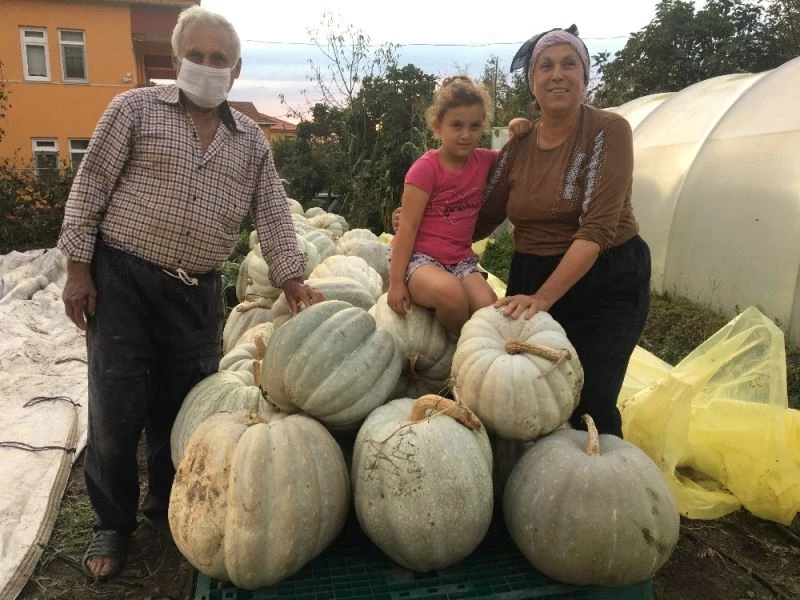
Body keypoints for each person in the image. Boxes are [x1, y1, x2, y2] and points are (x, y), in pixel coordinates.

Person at [57, 6, 322, 580]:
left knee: (182, 409)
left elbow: (272, 212)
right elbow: (91, 184)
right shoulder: (132, 109)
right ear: (177, 60)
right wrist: (79, 269)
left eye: (218, 59)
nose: (206, 66)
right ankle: (113, 522)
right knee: (117, 406)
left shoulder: (250, 140)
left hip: (196, 292)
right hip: (123, 278)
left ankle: (164, 508)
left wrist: (293, 276)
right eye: (195, 56)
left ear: (236, 68)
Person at [474, 25, 651, 438]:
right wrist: (419, 224)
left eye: (569, 64)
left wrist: (543, 299)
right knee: (525, 400)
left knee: (588, 402)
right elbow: (482, 217)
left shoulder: (609, 131)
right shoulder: (517, 145)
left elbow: (597, 229)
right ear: (533, 83)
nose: (557, 74)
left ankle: (602, 488)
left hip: (606, 278)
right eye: (546, 66)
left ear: (585, 77)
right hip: (531, 273)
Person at [388, 76, 530, 335]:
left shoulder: (484, 161)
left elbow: (514, 155)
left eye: (474, 127)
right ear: (437, 125)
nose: (466, 135)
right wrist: (396, 282)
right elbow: (407, 227)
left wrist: (516, 127)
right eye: (456, 125)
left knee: (486, 306)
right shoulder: (425, 169)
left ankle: (471, 346)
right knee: (450, 294)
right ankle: (461, 350)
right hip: (419, 259)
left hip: (460, 260)